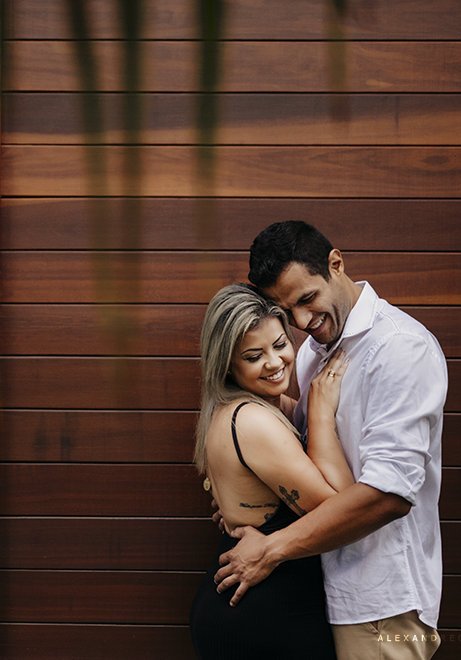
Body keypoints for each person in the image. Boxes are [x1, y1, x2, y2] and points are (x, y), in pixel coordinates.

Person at [214, 221, 447, 659]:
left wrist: (270, 549)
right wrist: (245, 494)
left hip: (382, 601)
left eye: (307, 299)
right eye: (287, 311)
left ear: (335, 264)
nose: (302, 321)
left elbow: (389, 495)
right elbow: (308, 456)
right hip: (328, 590)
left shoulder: (400, 348)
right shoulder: (313, 349)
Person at [189, 282, 354, 659]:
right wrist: (321, 412)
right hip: (261, 615)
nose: (275, 362)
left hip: (260, 607)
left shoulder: (263, 407)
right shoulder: (252, 421)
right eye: (253, 355)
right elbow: (340, 511)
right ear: (227, 363)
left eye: (280, 345)